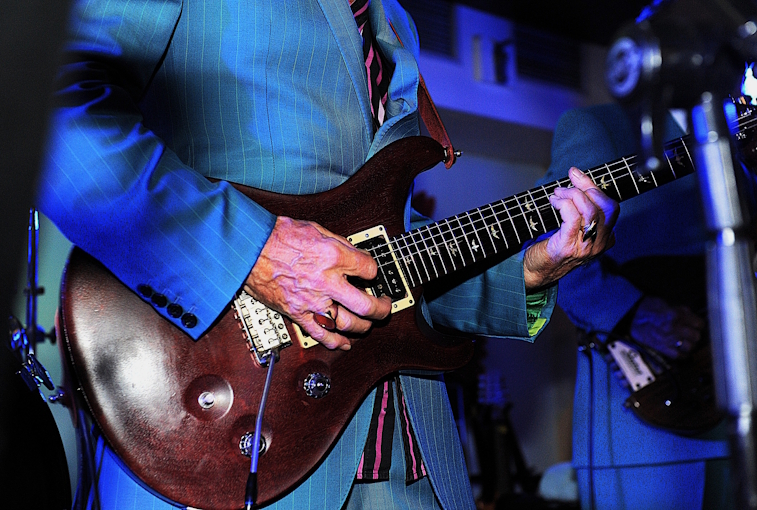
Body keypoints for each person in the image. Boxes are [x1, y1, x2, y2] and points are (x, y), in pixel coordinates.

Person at [36, 0, 618, 508]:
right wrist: (254, 252)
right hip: (227, 436)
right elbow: (50, 112)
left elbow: (384, 253)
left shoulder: (393, 17)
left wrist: (528, 270)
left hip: (415, 457)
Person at [539, 103, 733, 509]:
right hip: (644, 430)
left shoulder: (736, 121)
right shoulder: (600, 125)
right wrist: (632, 311)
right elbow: (547, 241)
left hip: (737, 413)